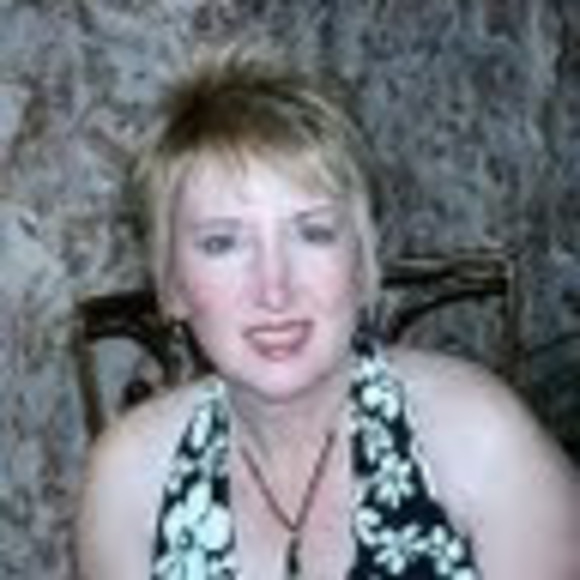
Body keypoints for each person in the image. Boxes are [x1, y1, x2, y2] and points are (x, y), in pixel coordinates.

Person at [76, 40, 580, 580]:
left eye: (313, 233)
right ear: (171, 285)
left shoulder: (479, 440)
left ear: (363, 264)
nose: (274, 290)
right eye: (222, 243)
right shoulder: (128, 481)